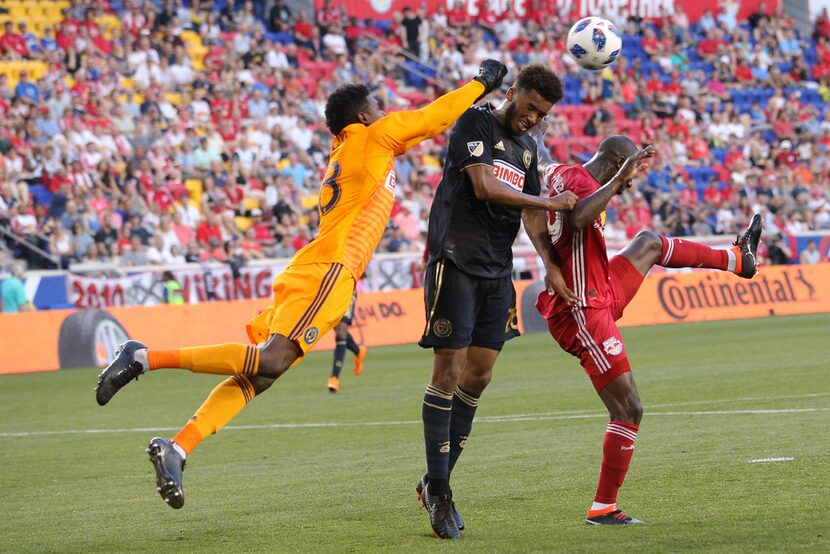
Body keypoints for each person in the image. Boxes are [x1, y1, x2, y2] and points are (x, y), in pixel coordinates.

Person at [94, 59, 509, 510]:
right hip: (332, 268)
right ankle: (143, 356)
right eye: (378, 107)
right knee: (269, 362)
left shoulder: (353, 149)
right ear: (365, 117)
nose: (385, 113)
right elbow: (435, 118)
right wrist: (481, 83)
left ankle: (178, 448)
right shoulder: (373, 136)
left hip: (316, 265)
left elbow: (412, 137)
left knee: (259, 375)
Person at [532, 136, 762, 525]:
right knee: (628, 409)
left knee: (648, 243)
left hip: (600, 286)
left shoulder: (562, 172)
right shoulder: (588, 187)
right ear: (616, 164)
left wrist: (532, 137)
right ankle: (603, 507)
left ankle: (737, 258)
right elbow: (579, 217)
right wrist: (618, 180)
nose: (632, 182)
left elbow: (541, 160)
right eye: (630, 172)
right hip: (582, 310)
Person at [415, 64, 578, 539]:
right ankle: (441, 493)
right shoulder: (475, 122)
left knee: (480, 375)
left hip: (496, 271)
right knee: (447, 372)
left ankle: (433, 482)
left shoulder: (530, 148)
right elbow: (485, 186)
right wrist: (554, 205)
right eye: (529, 107)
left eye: (542, 114)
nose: (532, 119)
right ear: (513, 92)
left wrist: (548, 262)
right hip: (455, 261)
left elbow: (528, 209)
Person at [326, 287, 368, 393]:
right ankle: (358, 351)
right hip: (327, 291)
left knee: (340, 333)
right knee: (339, 331)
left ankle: (334, 378)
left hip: (346, 289)